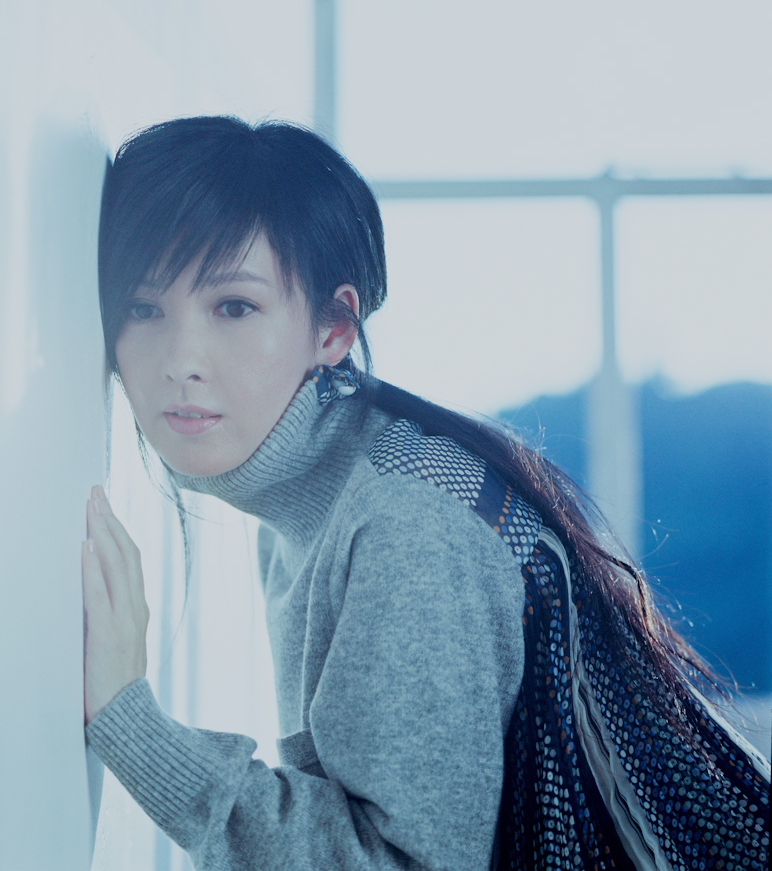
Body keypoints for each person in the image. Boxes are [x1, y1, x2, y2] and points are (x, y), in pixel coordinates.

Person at [82, 116, 770, 871]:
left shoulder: (404, 526)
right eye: (144, 308)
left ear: (333, 329)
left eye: (234, 307)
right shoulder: (313, 497)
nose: (181, 359)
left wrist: (129, 721)